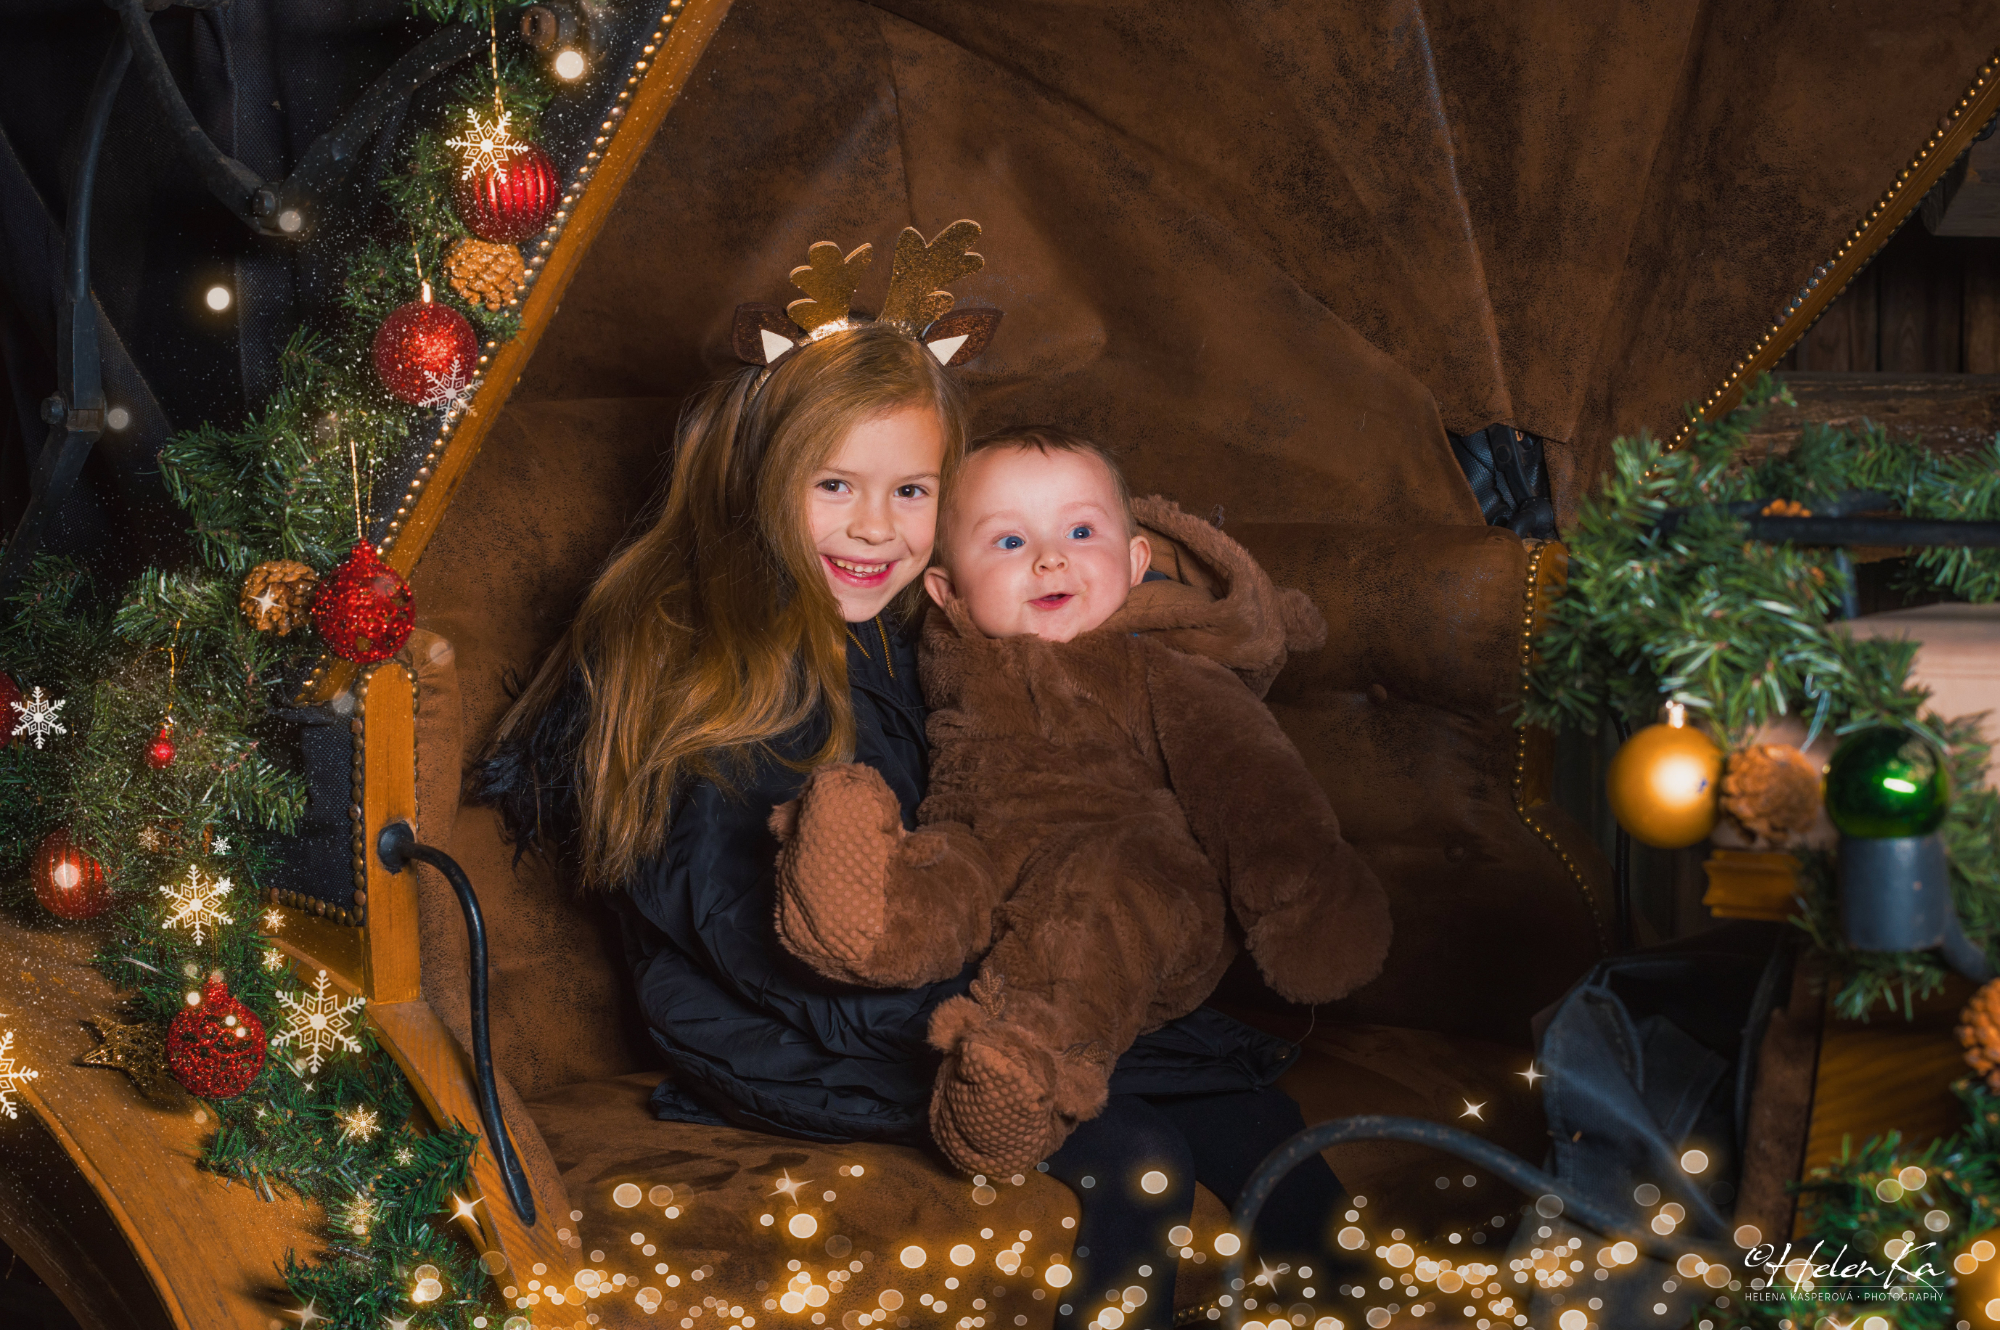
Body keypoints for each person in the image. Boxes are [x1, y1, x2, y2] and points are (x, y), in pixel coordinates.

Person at [473, 237, 1348, 1330]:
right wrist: (991, 1027)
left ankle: (1355, 1304)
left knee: (1264, 1127)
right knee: (1140, 1158)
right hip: (792, 1025)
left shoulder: (911, 628)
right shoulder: (704, 669)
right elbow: (753, 936)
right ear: (758, 481)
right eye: (834, 485)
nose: (874, 526)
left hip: (949, 987)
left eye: (911, 490)